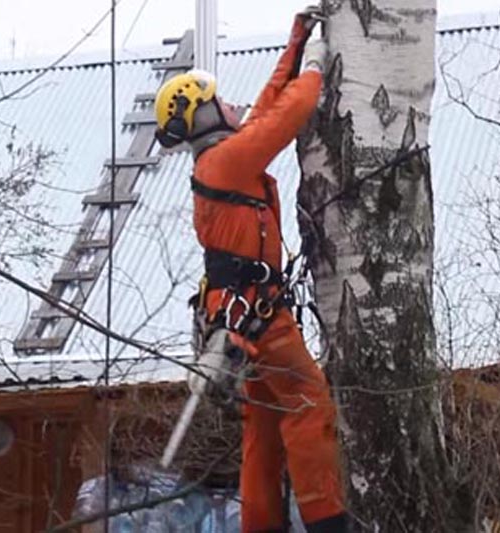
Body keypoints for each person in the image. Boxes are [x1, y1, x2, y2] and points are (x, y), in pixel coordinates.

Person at [154, 8, 347, 533]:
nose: (230, 103)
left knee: (262, 426)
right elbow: (289, 114)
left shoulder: (224, 159)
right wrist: (314, 66)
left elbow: (265, 108)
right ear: (201, 114)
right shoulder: (224, 164)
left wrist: (297, 40)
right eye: (218, 101)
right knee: (309, 401)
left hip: (239, 317)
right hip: (257, 312)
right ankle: (328, 520)